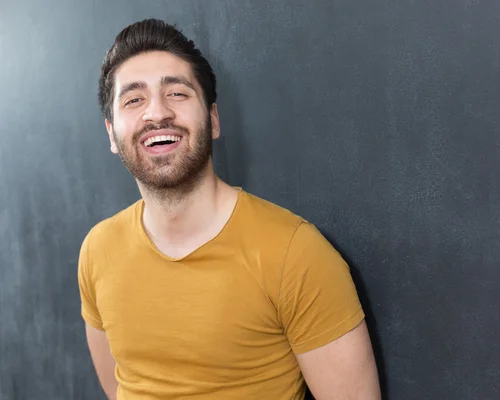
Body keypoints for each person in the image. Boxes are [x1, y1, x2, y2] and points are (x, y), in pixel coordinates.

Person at [78, 18, 381, 400]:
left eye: (177, 93)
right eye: (134, 100)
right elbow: (120, 387)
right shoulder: (97, 251)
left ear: (213, 119)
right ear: (112, 134)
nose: (157, 113)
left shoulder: (296, 254)